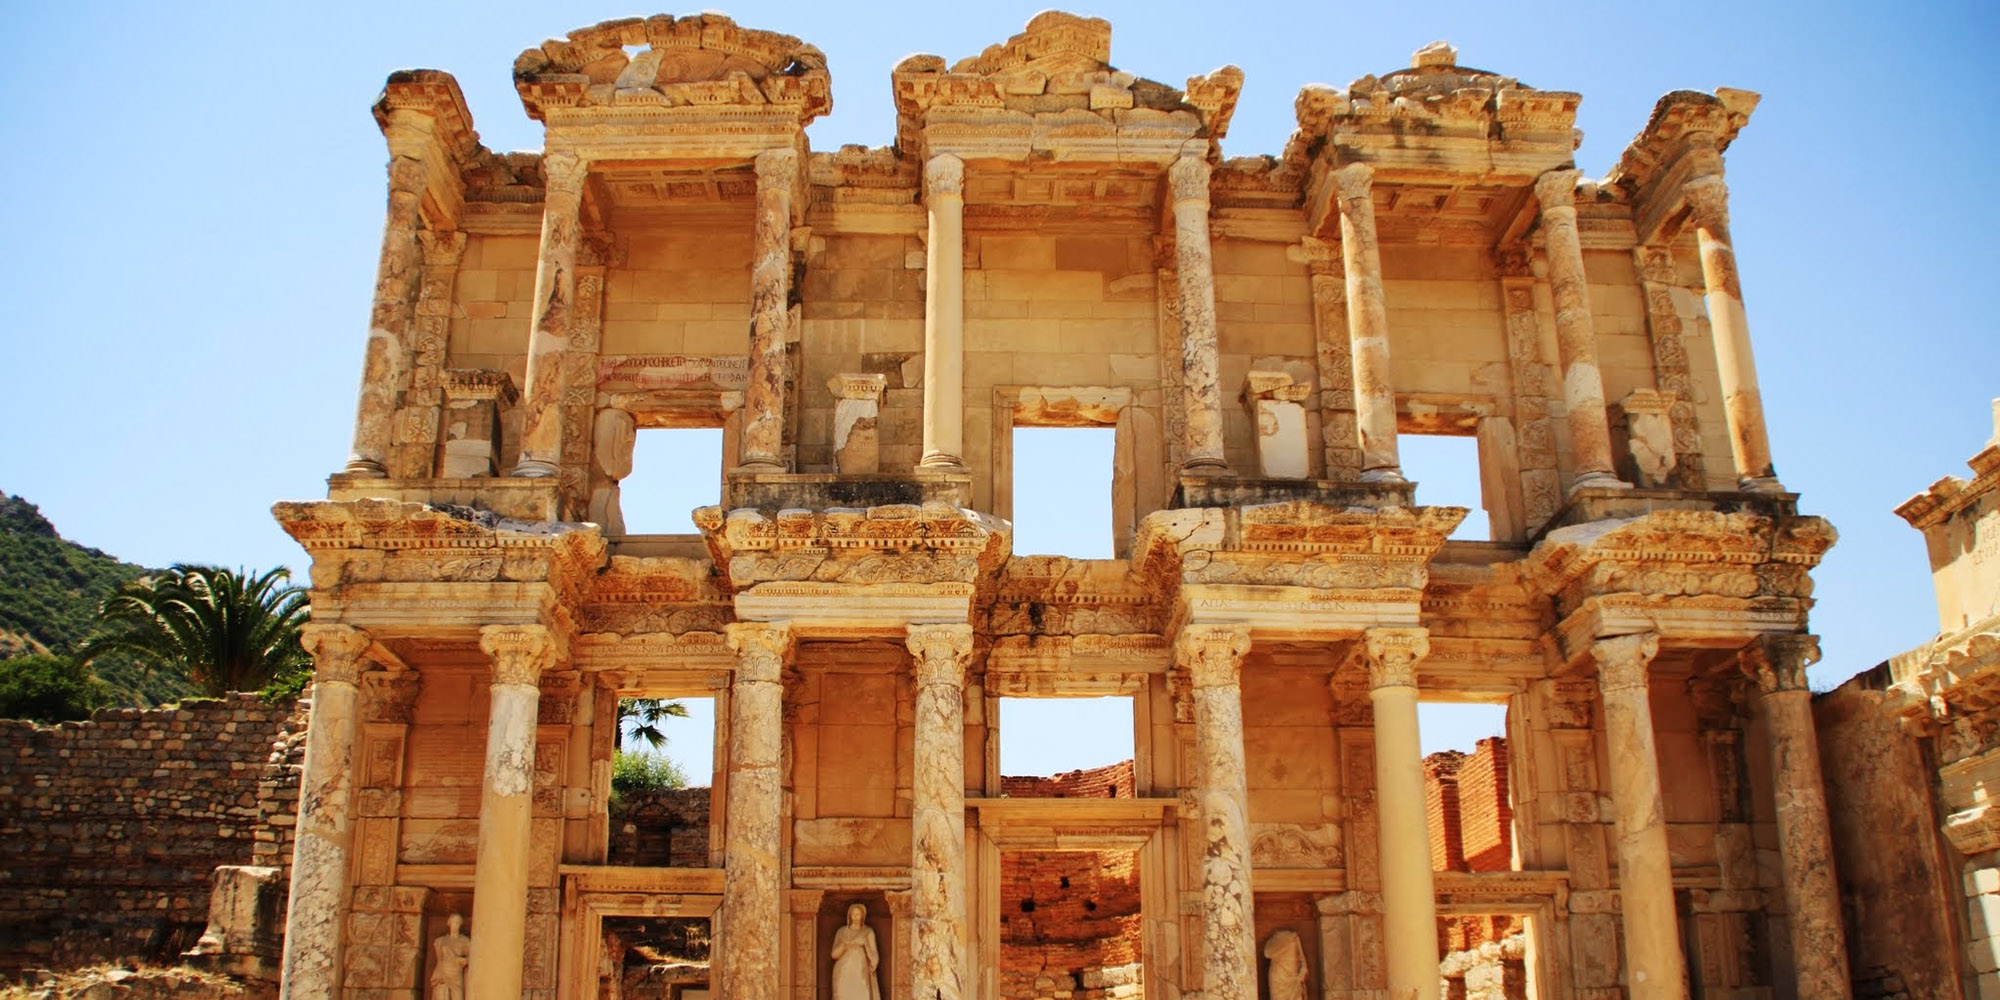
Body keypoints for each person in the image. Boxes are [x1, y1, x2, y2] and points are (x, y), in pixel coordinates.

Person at [829, 902, 880, 1000]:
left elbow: (874, 959)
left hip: (860, 972)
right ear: (849, 915)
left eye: (858, 914)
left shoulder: (868, 932)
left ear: (862, 916)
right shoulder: (842, 932)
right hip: (843, 973)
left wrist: (865, 943)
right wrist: (845, 945)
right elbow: (834, 954)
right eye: (853, 914)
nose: (855, 917)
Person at [428, 913, 471, 1000]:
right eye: (454, 922)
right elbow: (439, 959)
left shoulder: (465, 941)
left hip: (456, 973)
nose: (455, 925)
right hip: (442, 972)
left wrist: (465, 960)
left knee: (458, 997)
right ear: (449, 924)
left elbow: (473, 956)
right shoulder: (441, 941)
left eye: (458, 923)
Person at [1264, 928, 1308, 1000]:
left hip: (1293, 979)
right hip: (1278, 979)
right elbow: (1267, 953)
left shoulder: (1294, 939)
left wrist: (1302, 974)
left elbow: (1303, 961)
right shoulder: (1276, 941)